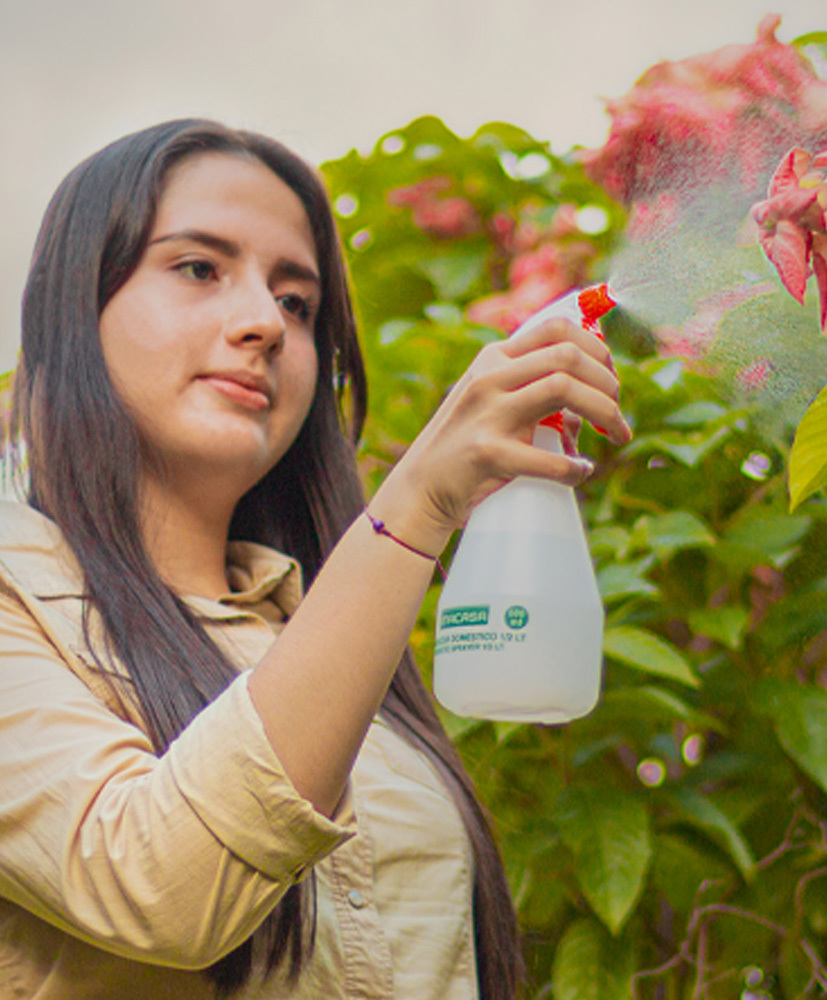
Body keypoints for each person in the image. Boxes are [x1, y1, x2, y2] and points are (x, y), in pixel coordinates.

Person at [0, 119, 629, 1000]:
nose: (264, 323)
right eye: (197, 268)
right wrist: (413, 507)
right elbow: (158, 886)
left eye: (297, 302)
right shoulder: (15, 602)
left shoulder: (318, 627)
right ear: (77, 306)